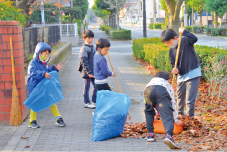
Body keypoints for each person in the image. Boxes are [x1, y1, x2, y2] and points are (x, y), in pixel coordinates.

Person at [161, 27, 201, 117]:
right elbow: (173, 64)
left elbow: (195, 39)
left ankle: (189, 119)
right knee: (179, 98)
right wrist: (175, 70)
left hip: (193, 72)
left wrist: (184, 32)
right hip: (181, 76)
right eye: (167, 44)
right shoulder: (171, 51)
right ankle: (179, 117)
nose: (169, 45)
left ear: (175, 38)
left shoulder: (185, 40)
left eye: (169, 42)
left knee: (189, 100)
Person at [27, 42, 66, 128]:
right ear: (39, 53)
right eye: (44, 53)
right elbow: (31, 72)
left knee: (52, 100)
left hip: (44, 86)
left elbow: (47, 71)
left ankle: (58, 118)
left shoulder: (45, 63)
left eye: (48, 54)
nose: (46, 55)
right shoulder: (33, 63)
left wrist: (54, 69)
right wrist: (43, 74)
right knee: (35, 103)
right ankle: (32, 121)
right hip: (35, 87)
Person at [144, 71, 182, 149]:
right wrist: (176, 119)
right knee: (167, 115)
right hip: (161, 90)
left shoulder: (150, 82)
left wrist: (155, 109)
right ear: (167, 79)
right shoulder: (166, 84)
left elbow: (150, 101)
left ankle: (150, 134)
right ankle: (168, 136)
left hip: (147, 91)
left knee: (149, 112)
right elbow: (172, 103)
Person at [78, 30, 97, 109]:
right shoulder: (84, 49)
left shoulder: (93, 47)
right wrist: (89, 72)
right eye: (88, 38)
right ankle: (86, 102)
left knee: (96, 86)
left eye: (92, 38)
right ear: (84, 38)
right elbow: (84, 62)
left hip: (93, 71)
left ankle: (94, 101)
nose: (90, 40)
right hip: (86, 72)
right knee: (87, 87)